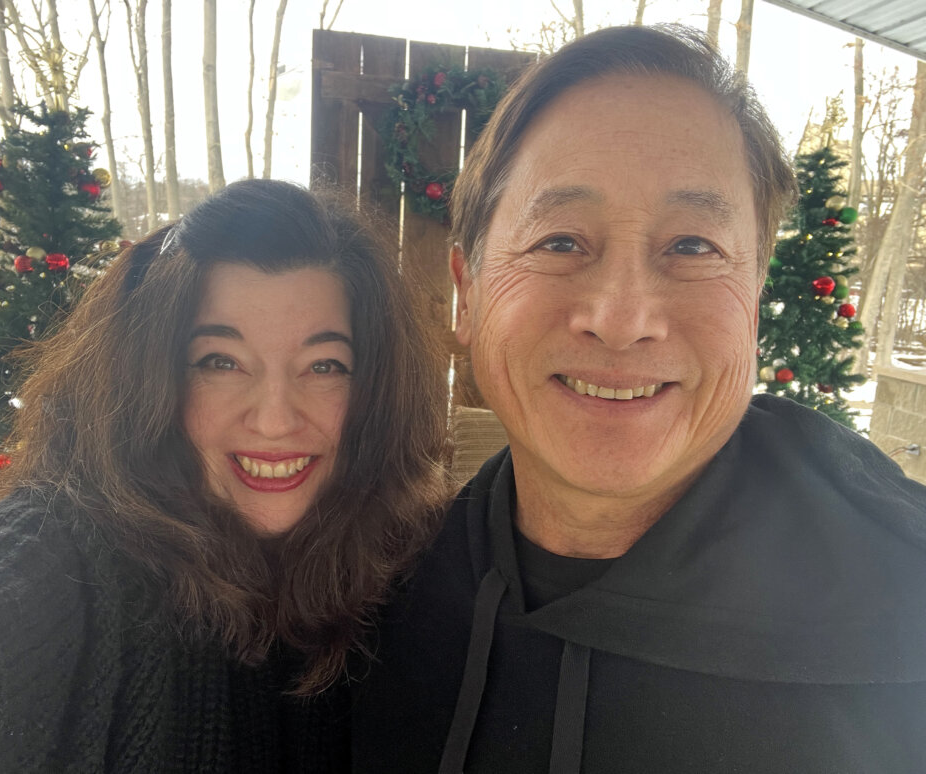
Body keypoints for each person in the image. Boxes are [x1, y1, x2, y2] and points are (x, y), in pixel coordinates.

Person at [351, 24, 926, 773]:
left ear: (753, 294)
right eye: (560, 241)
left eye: (693, 247)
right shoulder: (376, 606)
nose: (622, 321)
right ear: (467, 293)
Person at [0, 179, 448, 773]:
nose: (273, 420)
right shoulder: (65, 563)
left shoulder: (402, 566)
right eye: (221, 362)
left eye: (324, 365)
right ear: (149, 379)